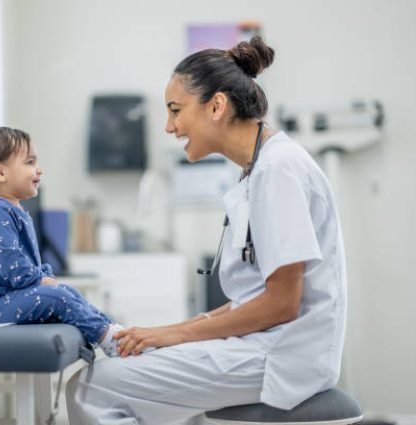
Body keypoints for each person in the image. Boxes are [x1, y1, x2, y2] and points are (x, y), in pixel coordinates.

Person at [66, 36, 348, 425]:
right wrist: (167, 331)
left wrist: (177, 335)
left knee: (92, 386)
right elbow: (252, 297)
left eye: (175, 110)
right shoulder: (259, 169)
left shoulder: (278, 170)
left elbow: (281, 303)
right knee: (125, 368)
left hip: (283, 354)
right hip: (266, 345)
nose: (169, 126)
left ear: (216, 106)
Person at [0, 126, 122, 356]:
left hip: (9, 298)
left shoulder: (11, 209)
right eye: (29, 162)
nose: (38, 170)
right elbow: (11, 265)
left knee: (67, 292)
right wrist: (40, 280)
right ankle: (109, 339)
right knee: (59, 296)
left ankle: (112, 330)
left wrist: (43, 278)